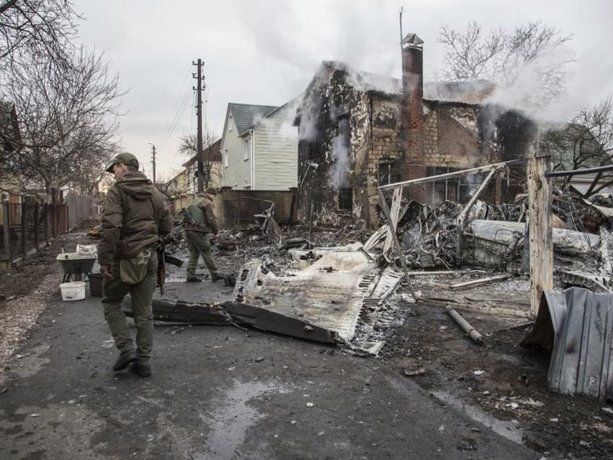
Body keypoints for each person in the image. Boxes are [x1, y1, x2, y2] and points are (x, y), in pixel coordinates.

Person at [98, 152, 172, 377]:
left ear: (122, 166)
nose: (113, 174)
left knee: (111, 302)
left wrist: (104, 260)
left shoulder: (117, 191)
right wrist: (156, 237)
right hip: (148, 257)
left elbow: (112, 226)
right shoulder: (153, 191)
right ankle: (143, 362)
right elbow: (167, 222)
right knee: (144, 310)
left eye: (114, 169)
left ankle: (126, 349)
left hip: (124, 258)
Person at [183, 187, 221, 282]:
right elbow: (211, 219)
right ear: (212, 194)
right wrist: (216, 232)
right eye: (214, 196)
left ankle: (190, 275)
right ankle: (215, 274)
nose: (214, 198)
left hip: (188, 229)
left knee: (194, 253)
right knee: (206, 252)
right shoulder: (207, 202)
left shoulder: (195, 200)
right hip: (199, 231)